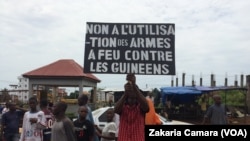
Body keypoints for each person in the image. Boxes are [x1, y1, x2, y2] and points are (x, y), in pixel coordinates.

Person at [114, 74, 149, 141]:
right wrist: (125, 93)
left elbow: (146, 107)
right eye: (130, 89)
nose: (132, 90)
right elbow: (116, 110)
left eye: (134, 89)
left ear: (137, 92)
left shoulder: (140, 106)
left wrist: (134, 86)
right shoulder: (122, 106)